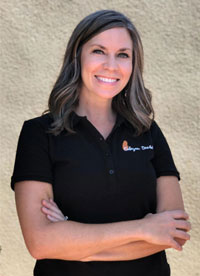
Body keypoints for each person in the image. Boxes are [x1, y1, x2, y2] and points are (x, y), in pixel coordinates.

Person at [11, 10, 191, 276]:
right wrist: (143, 229)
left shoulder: (148, 132)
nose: (111, 65)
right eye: (98, 51)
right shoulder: (39, 134)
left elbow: (174, 233)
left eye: (123, 54)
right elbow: (41, 243)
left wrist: (75, 242)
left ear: (133, 64)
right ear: (78, 56)